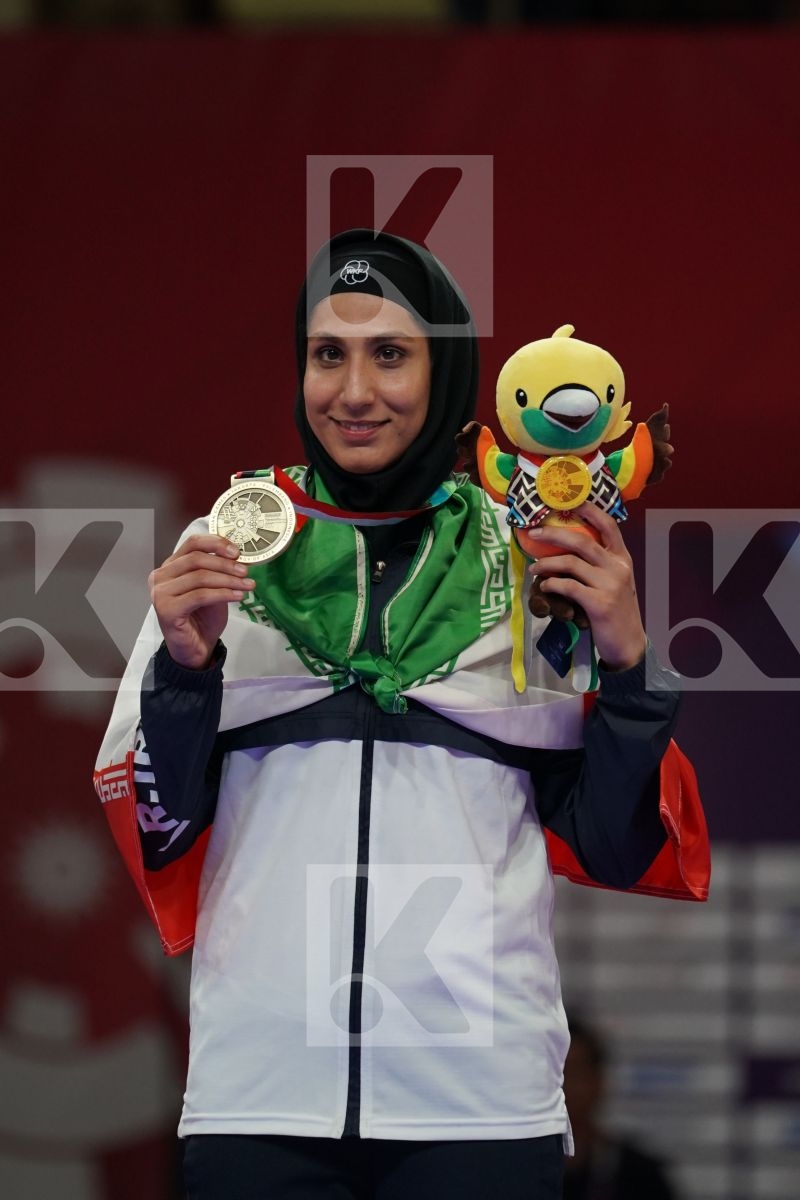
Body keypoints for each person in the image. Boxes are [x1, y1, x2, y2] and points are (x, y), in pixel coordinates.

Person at [94, 228, 708, 1200]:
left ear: (446, 371)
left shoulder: (526, 570)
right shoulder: (224, 553)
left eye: (389, 354)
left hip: (480, 1101)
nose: (353, 389)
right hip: (261, 1095)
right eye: (326, 354)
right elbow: (162, 830)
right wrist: (185, 671)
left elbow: (613, 842)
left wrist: (626, 665)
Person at [563, 1016, 679, 1200]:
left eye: (575, 1073)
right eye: (556, 1075)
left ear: (599, 1082)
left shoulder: (640, 1176)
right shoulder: (513, 1172)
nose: (565, 1087)